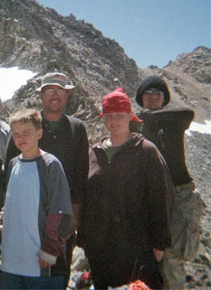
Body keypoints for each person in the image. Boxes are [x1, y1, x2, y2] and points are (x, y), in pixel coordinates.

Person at [77, 88, 173, 289]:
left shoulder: (146, 150)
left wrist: (158, 245)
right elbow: (87, 198)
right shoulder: (94, 153)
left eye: (119, 115)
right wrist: (85, 238)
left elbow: (161, 198)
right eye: (109, 116)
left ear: (130, 116)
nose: (114, 121)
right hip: (100, 248)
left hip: (137, 248)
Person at [5, 72, 89, 282]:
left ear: (67, 96)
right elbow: (9, 173)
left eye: (60, 90)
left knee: (57, 271)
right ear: (41, 95)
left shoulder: (77, 128)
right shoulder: (27, 126)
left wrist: (75, 218)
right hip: (25, 216)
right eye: (49, 90)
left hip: (61, 216)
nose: (55, 95)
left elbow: (80, 176)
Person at [135, 75, 205, 289]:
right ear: (141, 97)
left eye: (159, 93)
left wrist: (148, 117)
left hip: (179, 193)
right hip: (149, 196)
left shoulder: (174, 121)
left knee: (173, 256)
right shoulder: (134, 125)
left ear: (165, 99)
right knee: (146, 255)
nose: (154, 96)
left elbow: (187, 113)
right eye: (148, 92)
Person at [0, 108, 72, 289]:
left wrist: (50, 249)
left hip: (39, 261)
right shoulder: (13, 164)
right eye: (16, 134)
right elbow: (12, 202)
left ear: (39, 133)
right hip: (11, 257)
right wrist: (0, 217)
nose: (20, 138)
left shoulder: (50, 165)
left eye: (26, 133)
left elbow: (59, 210)